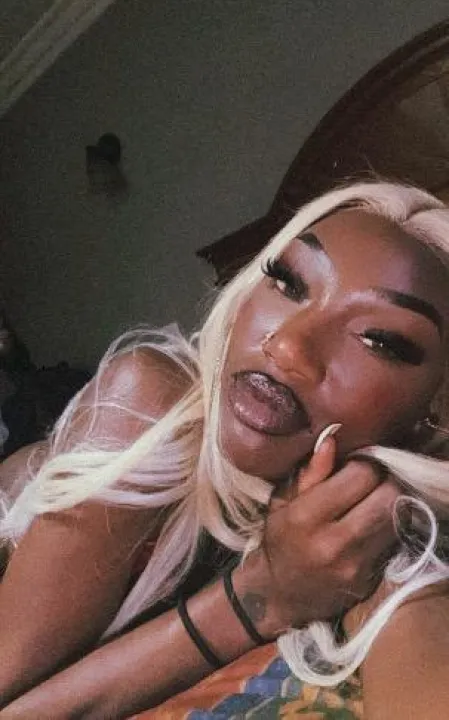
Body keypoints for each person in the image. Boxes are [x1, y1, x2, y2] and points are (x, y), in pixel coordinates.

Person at [0, 178, 449, 719]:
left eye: (379, 339)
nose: (288, 346)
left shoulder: (390, 547)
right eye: (287, 281)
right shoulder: (148, 401)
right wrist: (260, 595)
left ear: (435, 409)